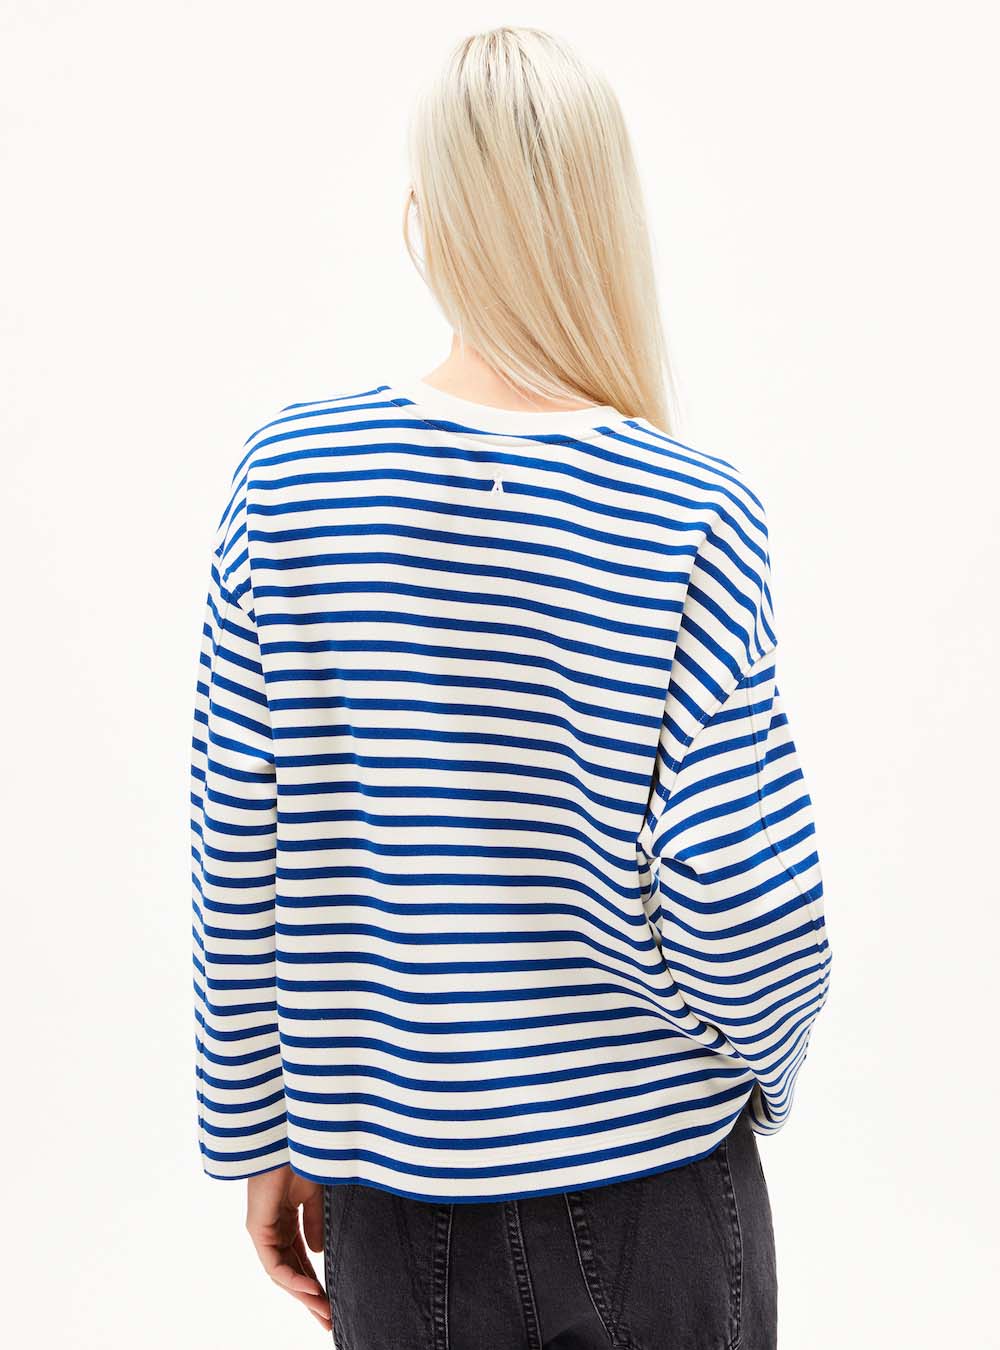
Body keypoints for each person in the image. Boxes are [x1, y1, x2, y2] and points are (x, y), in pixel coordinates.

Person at [189, 25, 831, 1349]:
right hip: (657, 1178)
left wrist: (257, 1135)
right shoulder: (689, 510)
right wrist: (765, 1065)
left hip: (392, 1197)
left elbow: (237, 852)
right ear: (607, 220)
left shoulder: (287, 481)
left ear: (427, 220)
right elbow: (746, 899)